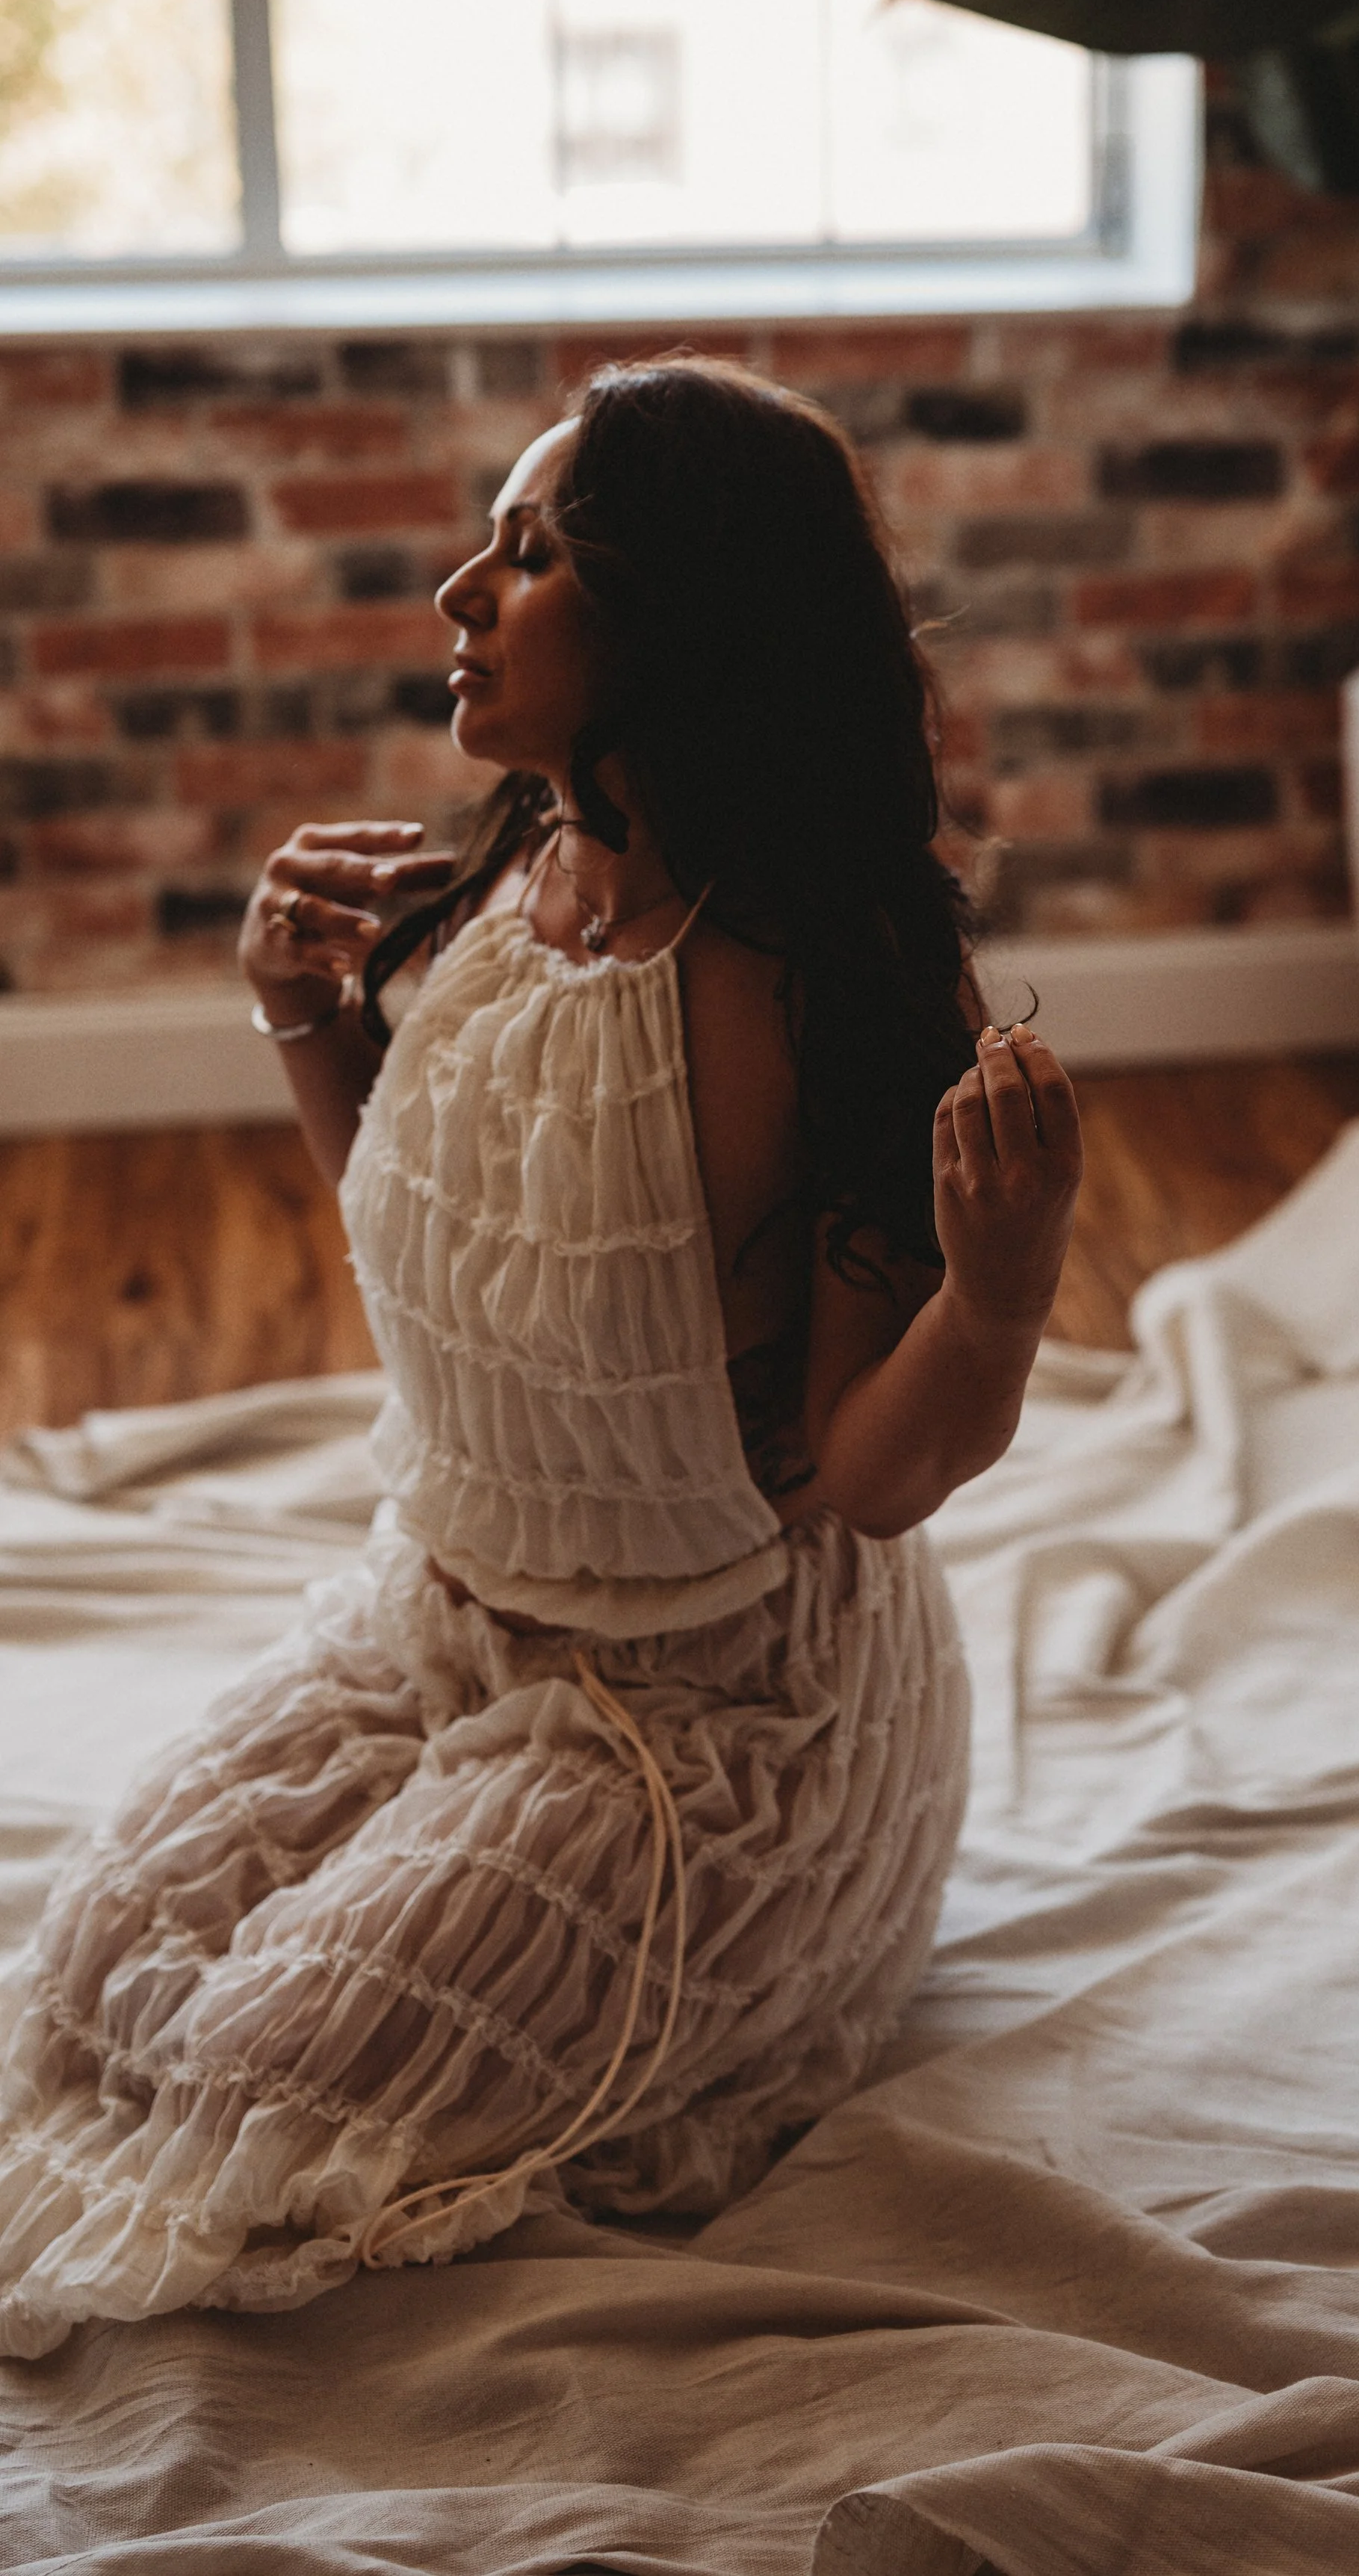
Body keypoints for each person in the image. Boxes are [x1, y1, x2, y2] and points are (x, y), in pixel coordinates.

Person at [0, 355, 1082, 2360]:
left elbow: (862, 1467)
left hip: (707, 1719)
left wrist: (994, 1296)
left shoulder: (820, 973)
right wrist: (301, 1018)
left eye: (528, 554)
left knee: (264, 2078)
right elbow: (439, 1245)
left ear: (672, 615)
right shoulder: (521, 875)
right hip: (444, 1625)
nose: (456, 595)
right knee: (89, 1985)